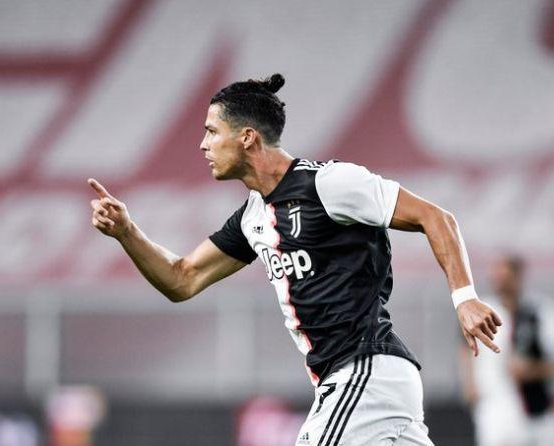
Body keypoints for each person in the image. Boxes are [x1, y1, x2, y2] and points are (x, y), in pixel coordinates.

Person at [88, 73, 502, 445]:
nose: (203, 144)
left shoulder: (329, 183)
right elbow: (182, 279)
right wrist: (128, 232)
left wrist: (464, 297)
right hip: (361, 383)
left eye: (212, 131)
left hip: (365, 370)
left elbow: (435, 217)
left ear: (247, 137)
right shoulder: (252, 216)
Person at [458, 254, 554, 446]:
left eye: (505, 279)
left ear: (518, 277)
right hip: (495, 412)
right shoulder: (482, 311)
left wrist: (534, 370)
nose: (500, 284)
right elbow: (464, 347)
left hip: (538, 414)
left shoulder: (540, 312)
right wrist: (469, 384)